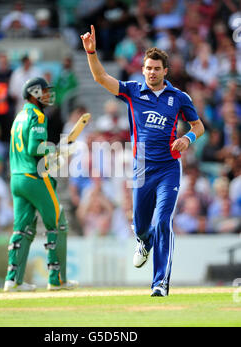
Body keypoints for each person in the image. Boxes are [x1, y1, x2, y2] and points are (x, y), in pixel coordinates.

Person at [81, 25, 205, 297]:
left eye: (156, 68)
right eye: (147, 68)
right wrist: (91, 52)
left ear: (165, 71)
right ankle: (142, 240)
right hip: (140, 168)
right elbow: (101, 77)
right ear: (143, 70)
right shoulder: (133, 91)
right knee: (140, 224)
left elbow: (198, 126)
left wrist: (188, 140)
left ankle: (160, 282)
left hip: (168, 168)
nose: (151, 72)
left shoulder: (179, 98)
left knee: (162, 221)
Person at [3, 77, 78, 292]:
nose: (47, 95)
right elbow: (34, 148)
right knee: (58, 223)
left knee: (22, 229)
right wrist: (54, 150)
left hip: (16, 178)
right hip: (33, 177)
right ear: (33, 93)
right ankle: (57, 279)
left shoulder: (18, 117)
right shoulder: (37, 115)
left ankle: (12, 280)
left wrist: (52, 155)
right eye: (44, 92)